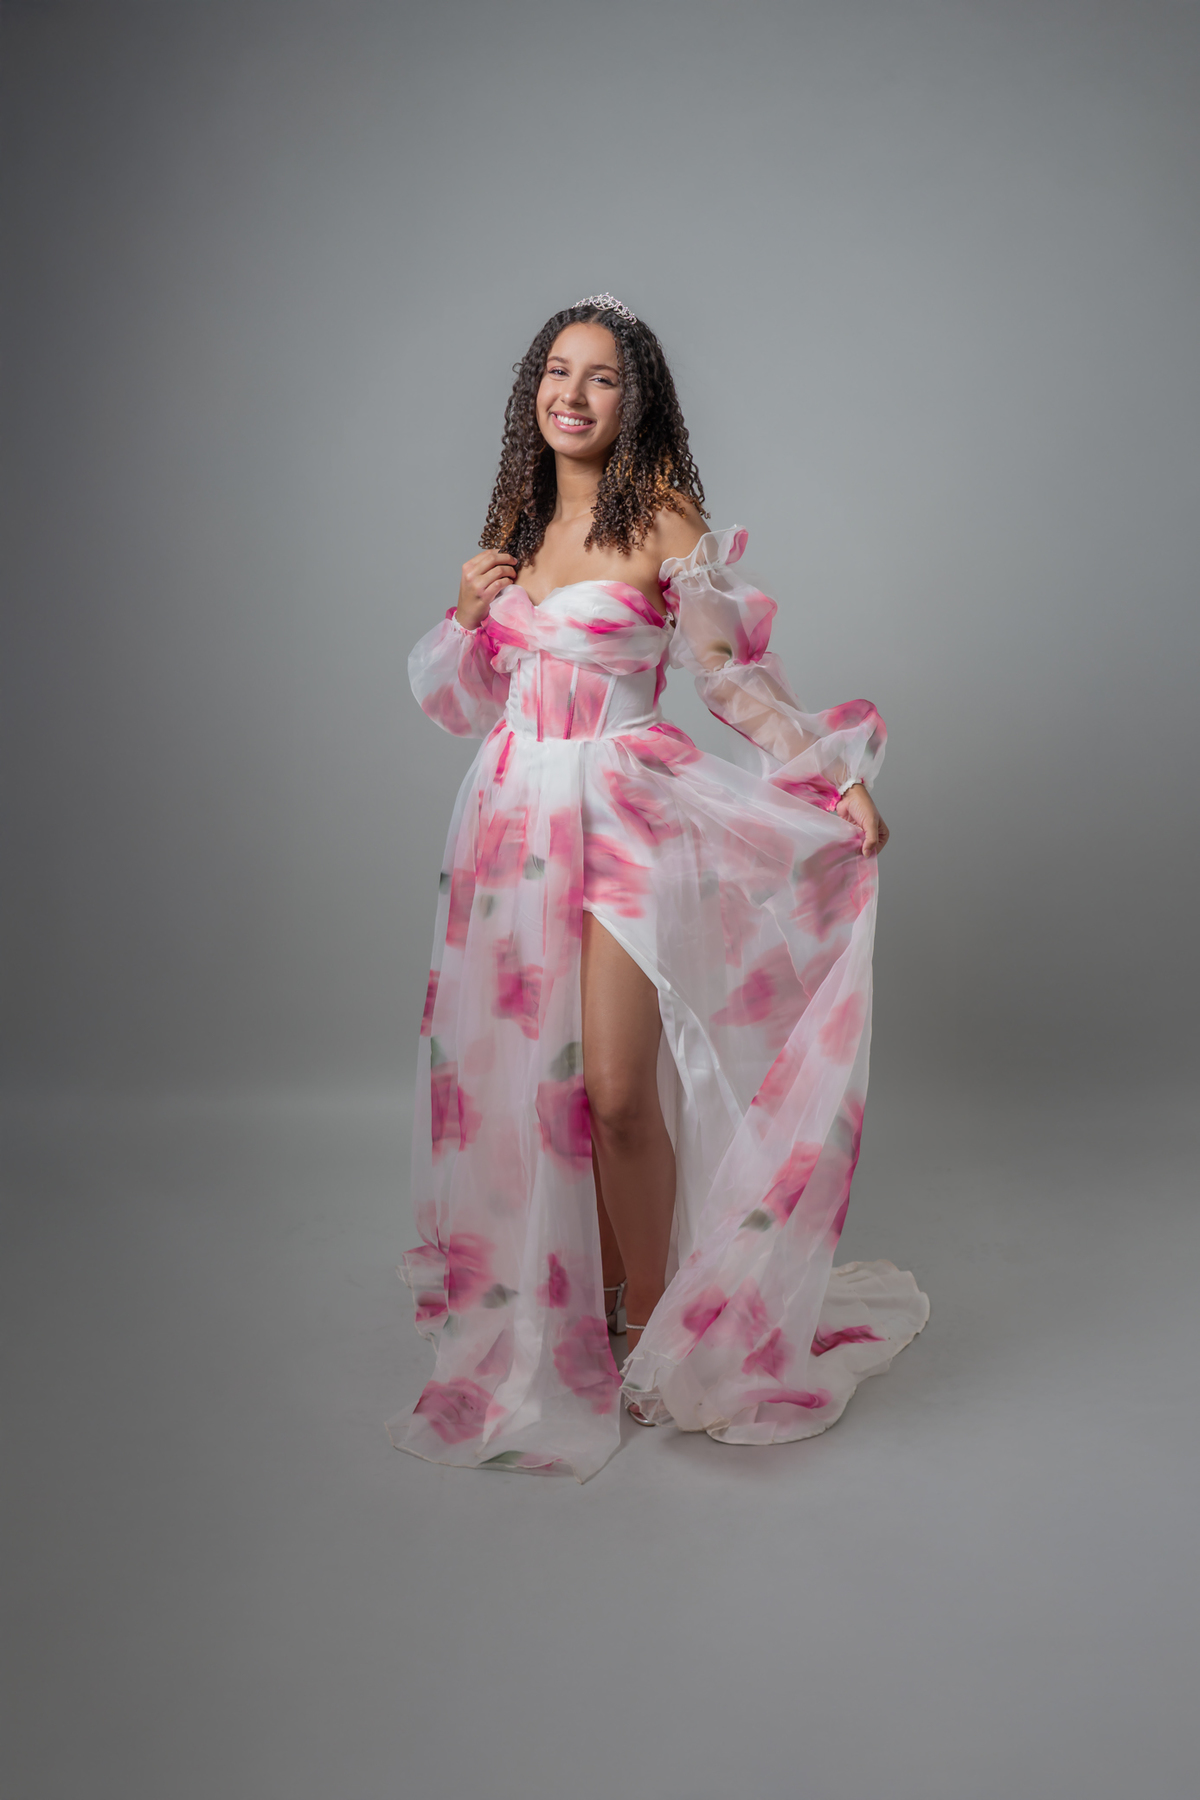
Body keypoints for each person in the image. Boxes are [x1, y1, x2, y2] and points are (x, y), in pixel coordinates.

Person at [388, 295, 928, 1479]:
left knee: (621, 1087)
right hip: (512, 818)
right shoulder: (514, 525)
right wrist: (466, 618)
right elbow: (464, 705)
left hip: (622, 813)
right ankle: (577, 1307)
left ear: (635, 401)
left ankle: (651, 1327)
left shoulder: (666, 521)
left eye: (601, 376)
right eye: (557, 372)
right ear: (532, 392)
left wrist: (832, 778)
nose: (573, 394)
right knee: (539, 1085)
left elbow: (729, 676)